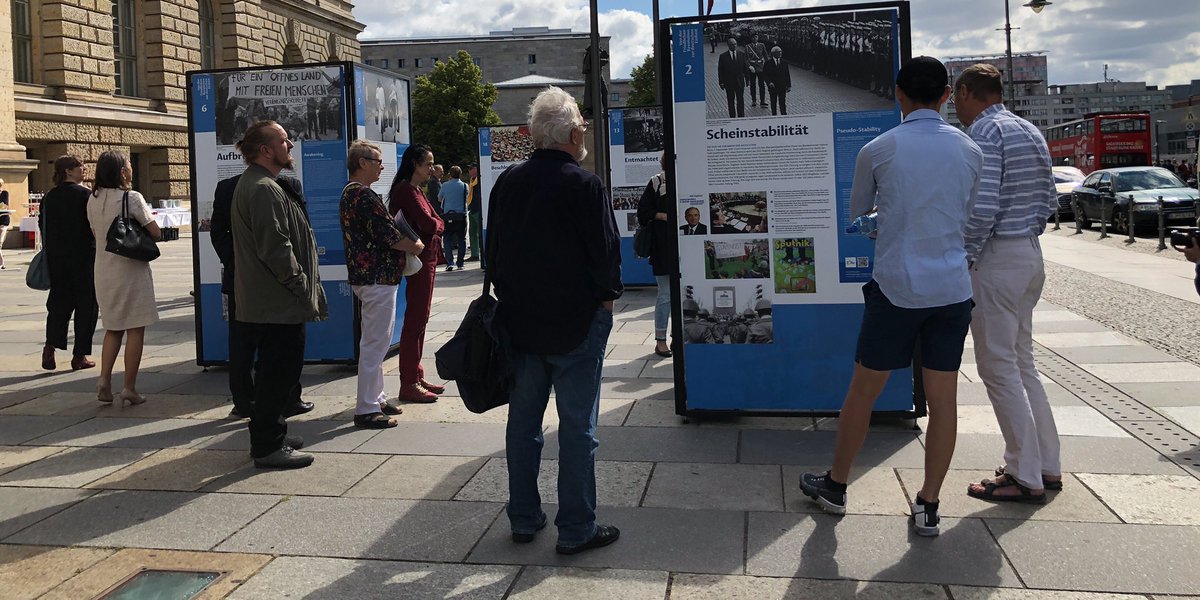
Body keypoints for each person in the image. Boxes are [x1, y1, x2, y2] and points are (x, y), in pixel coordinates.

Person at [799, 57, 983, 537]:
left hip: (897, 287)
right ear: (946, 95)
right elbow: (966, 213)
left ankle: (836, 486)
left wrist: (889, 220)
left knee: (864, 389)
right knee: (944, 401)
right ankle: (928, 504)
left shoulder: (879, 148)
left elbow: (861, 213)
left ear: (898, 95)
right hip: (951, 289)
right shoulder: (969, 150)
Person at [490, 86, 623, 555]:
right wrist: (605, 307)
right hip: (576, 326)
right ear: (570, 132)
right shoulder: (584, 184)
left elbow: (494, 252)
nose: (584, 130)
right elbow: (605, 256)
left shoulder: (507, 181)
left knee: (522, 424)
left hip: (520, 325)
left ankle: (524, 518)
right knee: (577, 428)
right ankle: (576, 528)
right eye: (582, 125)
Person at [955, 63, 1061, 504]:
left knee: (997, 368)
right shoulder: (1028, 129)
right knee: (1022, 363)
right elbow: (1050, 199)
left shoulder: (984, 133)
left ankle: (1022, 473)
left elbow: (982, 206)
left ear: (965, 92)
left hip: (997, 255)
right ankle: (1046, 464)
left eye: (956, 97)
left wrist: (966, 254)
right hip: (1029, 250)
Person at [231, 120, 328, 469]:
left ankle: (274, 434)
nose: (290, 145)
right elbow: (276, 249)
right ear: (265, 150)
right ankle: (268, 447)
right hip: (276, 303)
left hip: (272, 301)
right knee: (277, 375)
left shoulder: (263, 184)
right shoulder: (262, 188)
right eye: (284, 141)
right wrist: (301, 285)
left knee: (278, 374)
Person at [211, 173, 315, 420]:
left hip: (281, 281)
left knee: (284, 345)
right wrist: (239, 264)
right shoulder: (228, 187)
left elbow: (301, 230)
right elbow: (218, 233)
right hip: (243, 281)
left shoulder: (289, 185)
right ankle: (245, 402)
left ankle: (289, 398)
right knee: (242, 344)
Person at [340, 140, 425, 429]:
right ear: (362, 162)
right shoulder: (363, 195)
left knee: (377, 340)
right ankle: (365, 408)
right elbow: (388, 235)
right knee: (375, 344)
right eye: (377, 162)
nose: (381, 167)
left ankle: (376, 397)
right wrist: (415, 245)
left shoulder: (351, 193)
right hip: (376, 276)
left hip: (371, 276)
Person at [86, 151, 163, 407]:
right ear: (122, 172)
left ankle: (104, 380)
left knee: (113, 328)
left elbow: (97, 233)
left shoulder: (92, 199)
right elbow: (155, 231)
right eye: (128, 165)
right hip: (130, 269)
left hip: (103, 269)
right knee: (135, 328)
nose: (131, 169)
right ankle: (129, 387)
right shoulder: (131, 198)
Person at [387, 144, 445, 403]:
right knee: (415, 319)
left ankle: (415, 373)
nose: (431, 168)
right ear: (414, 164)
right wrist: (436, 224)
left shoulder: (415, 190)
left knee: (421, 318)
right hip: (419, 261)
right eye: (427, 163)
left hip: (426, 259)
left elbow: (436, 221)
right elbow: (429, 223)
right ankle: (408, 380)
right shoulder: (406, 191)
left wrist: (436, 224)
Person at [39, 156, 98, 372]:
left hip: (57, 258)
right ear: (68, 171)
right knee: (87, 304)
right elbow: (94, 224)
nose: (84, 169)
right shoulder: (86, 195)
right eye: (79, 167)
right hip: (84, 258)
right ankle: (79, 355)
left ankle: (50, 346)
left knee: (58, 304)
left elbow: (42, 225)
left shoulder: (49, 197)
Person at [636, 155, 674, 358]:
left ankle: (678, 336)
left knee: (682, 295)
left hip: (685, 245)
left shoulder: (689, 179)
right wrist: (663, 215)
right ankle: (661, 340)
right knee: (666, 294)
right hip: (663, 246)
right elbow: (643, 213)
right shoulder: (656, 181)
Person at [437, 165, 469, 272]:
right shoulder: (465, 186)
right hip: (461, 216)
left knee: (447, 239)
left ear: (450, 175)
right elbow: (466, 198)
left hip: (448, 216)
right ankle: (460, 263)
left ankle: (449, 262)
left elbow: (439, 198)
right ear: (460, 174)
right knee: (462, 239)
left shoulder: (445, 185)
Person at [717, 38, 749, 118]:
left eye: (735, 44)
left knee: (740, 100)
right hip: (729, 82)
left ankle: (741, 116)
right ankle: (732, 117)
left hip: (739, 82)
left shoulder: (741, 54)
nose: (734, 46)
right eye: (732, 44)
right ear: (728, 45)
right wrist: (721, 82)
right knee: (730, 101)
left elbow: (745, 68)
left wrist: (747, 79)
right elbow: (720, 70)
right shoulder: (723, 56)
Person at [762, 46, 792, 116]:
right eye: (779, 52)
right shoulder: (768, 63)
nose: (780, 53)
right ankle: (774, 115)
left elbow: (787, 74)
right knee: (773, 102)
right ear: (774, 54)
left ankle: (784, 115)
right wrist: (769, 82)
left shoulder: (784, 62)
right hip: (773, 87)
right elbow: (765, 75)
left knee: (782, 102)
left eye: (781, 52)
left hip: (782, 86)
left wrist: (789, 85)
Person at [746, 33, 768, 108]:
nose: (755, 38)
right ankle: (754, 100)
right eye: (753, 37)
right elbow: (745, 59)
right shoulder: (747, 47)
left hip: (761, 67)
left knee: (762, 85)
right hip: (752, 67)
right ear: (751, 38)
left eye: (756, 37)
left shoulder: (762, 45)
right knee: (752, 85)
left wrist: (767, 66)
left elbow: (766, 56)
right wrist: (749, 66)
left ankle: (762, 101)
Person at [466, 164, 482, 262]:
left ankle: (482, 252)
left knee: (480, 232)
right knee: (472, 232)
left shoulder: (479, 180)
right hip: (472, 208)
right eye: (469, 169)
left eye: (471, 168)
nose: (469, 170)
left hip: (478, 209)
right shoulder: (472, 180)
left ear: (476, 169)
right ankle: (474, 254)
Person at [0, 178, 9, 270]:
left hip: (3, 221)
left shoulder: (4, 193)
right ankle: (2, 263)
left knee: (0, 242)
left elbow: (4, 205)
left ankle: (1, 263)